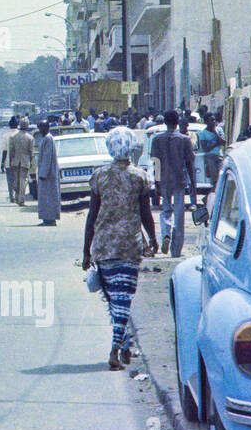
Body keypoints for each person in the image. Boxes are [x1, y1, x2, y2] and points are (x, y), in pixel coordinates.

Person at [83, 127, 158, 370]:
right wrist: (154, 238)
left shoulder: (99, 176)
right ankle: (116, 349)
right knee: (123, 299)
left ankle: (124, 346)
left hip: (104, 247)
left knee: (116, 301)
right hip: (129, 246)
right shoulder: (140, 176)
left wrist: (86, 250)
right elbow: (146, 214)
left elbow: (92, 216)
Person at [150, 110, 196, 256]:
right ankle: (176, 249)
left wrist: (157, 183)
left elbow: (156, 162)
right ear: (177, 122)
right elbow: (189, 162)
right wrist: (193, 183)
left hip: (163, 180)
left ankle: (165, 234)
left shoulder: (157, 140)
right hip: (179, 180)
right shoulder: (184, 139)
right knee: (179, 214)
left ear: (165, 122)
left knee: (165, 210)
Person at [35, 120, 61, 226]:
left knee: (49, 197)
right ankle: (47, 218)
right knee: (46, 197)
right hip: (46, 173)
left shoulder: (48, 139)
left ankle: (50, 219)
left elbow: (47, 157)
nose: (40, 130)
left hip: (48, 175)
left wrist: (42, 174)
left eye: (42, 127)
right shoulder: (45, 138)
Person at [5, 120, 34, 207]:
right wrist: (31, 161)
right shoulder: (30, 138)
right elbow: (31, 152)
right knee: (22, 181)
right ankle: (21, 199)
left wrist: (10, 162)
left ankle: (18, 198)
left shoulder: (13, 137)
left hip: (15, 161)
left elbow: (11, 151)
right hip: (25, 162)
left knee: (16, 181)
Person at [196, 112, 225, 194]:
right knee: (215, 179)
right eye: (211, 120)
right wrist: (216, 143)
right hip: (210, 157)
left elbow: (223, 142)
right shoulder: (203, 133)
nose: (213, 122)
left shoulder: (219, 130)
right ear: (206, 122)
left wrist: (215, 133)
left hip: (219, 155)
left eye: (214, 120)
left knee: (221, 177)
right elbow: (205, 148)